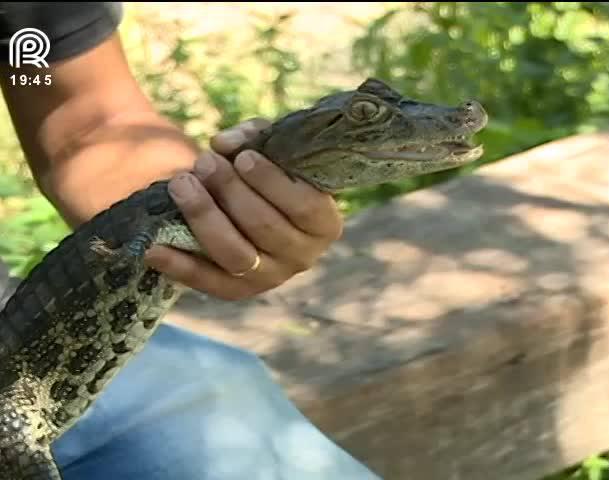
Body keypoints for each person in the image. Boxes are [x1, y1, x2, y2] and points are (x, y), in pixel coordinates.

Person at [0, 4, 380, 479]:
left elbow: (86, 122)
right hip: (17, 401)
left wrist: (220, 204)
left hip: (23, 343)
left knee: (252, 430)